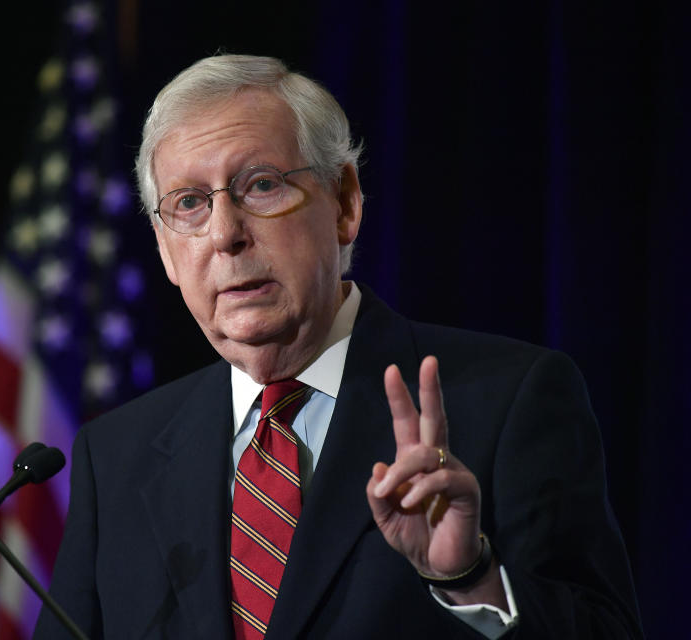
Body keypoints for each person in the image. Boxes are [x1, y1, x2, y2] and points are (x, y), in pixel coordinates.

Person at [34, 54, 642, 639]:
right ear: (166, 251)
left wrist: (470, 578)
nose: (225, 234)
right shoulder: (114, 456)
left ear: (346, 204)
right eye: (190, 203)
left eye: (261, 185)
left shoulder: (506, 400)